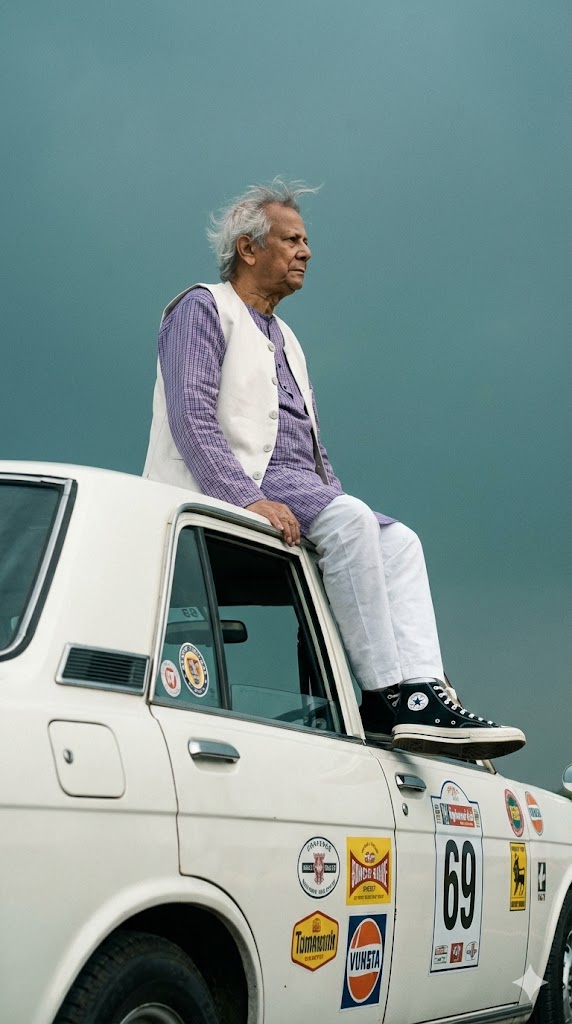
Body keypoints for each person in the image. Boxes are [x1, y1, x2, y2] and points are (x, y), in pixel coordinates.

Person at [144, 179, 525, 759]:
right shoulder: (201, 308)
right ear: (250, 249)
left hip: (293, 485)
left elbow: (310, 449)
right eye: (292, 239)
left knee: (398, 541)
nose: (307, 251)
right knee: (349, 520)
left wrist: (336, 511)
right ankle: (383, 697)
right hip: (234, 481)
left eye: (306, 240)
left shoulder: (286, 337)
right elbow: (192, 417)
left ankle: (424, 692)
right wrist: (244, 498)